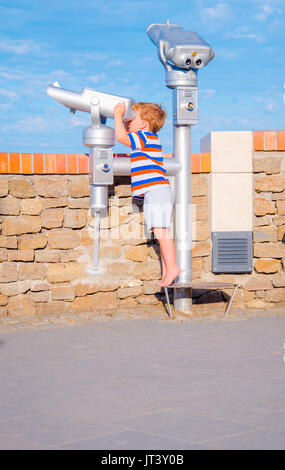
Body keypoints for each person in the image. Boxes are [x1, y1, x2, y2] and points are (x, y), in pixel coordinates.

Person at [113, 101, 180, 287]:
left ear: (143, 124)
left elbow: (121, 137)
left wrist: (117, 115)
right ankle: (168, 272)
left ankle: (173, 267)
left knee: (161, 231)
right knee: (159, 231)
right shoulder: (146, 140)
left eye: (131, 119)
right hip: (155, 192)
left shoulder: (145, 137)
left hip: (157, 191)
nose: (127, 123)